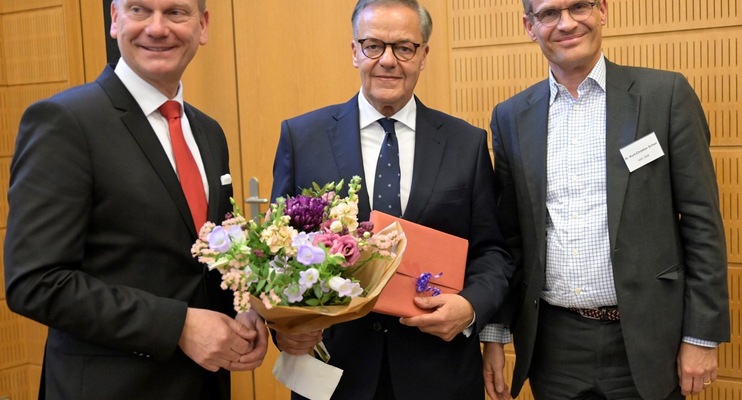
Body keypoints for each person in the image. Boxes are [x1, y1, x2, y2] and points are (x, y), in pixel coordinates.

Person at [3, 0, 268, 398]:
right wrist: (177, 326)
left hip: (204, 384)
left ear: (203, 26)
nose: (157, 28)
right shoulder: (65, 122)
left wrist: (247, 311)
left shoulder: (208, 132)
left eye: (176, 12)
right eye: (140, 10)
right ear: (115, 20)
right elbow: (35, 282)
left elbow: (205, 260)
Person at [480, 1, 731, 399]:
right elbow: (509, 239)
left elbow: (703, 223)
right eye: (548, 14)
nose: (566, 24)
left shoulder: (663, 96)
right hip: (554, 346)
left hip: (647, 341)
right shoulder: (511, 117)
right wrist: (494, 333)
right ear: (529, 26)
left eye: (578, 6)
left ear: (602, 10)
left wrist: (701, 334)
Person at [269, 0, 515, 399]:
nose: (388, 61)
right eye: (373, 46)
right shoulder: (303, 138)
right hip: (334, 370)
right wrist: (284, 327)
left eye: (404, 47)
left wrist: (470, 307)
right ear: (354, 51)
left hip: (439, 372)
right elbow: (275, 248)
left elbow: (492, 252)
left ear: (423, 56)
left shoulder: (466, 143)